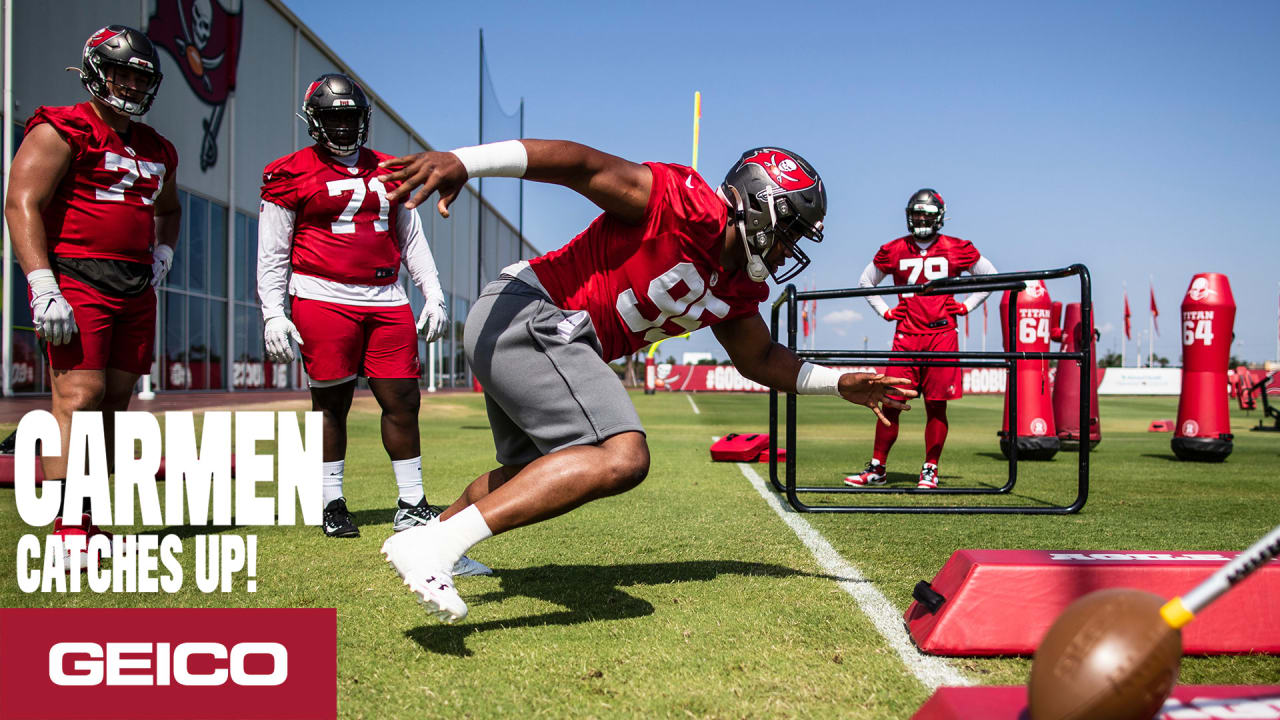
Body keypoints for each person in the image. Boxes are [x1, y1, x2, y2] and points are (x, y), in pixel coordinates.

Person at [374, 140, 917, 623]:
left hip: (536, 329)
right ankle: (437, 548)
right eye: (789, 234)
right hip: (532, 311)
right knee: (623, 455)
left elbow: (761, 358)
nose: (786, 252)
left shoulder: (737, 289)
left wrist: (839, 382)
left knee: (528, 473)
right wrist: (465, 162)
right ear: (760, 209)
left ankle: (424, 537)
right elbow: (579, 166)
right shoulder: (686, 207)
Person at [255, 73, 489, 575]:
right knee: (331, 402)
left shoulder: (391, 169)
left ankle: (410, 503)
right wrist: (273, 310)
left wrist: (434, 294)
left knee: (403, 399)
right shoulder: (287, 173)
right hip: (322, 294)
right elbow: (273, 252)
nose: (343, 126)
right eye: (334, 117)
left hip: (386, 297)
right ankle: (330, 501)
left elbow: (411, 237)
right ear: (315, 121)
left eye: (350, 117)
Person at [5, 25, 179, 569]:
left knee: (113, 408)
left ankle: (85, 515)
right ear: (95, 69)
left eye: (139, 76)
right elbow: (21, 203)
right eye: (122, 72)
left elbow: (169, 210)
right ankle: (67, 528)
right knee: (78, 397)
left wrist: (164, 253)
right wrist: (41, 283)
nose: (129, 85)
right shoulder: (63, 127)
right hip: (77, 275)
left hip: (135, 285)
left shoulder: (158, 148)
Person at [845, 189, 997, 490]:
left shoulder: (958, 247)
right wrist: (886, 312)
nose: (920, 219)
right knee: (890, 402)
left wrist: (966, 305)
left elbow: (990, 276)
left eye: (926, 214)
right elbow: (866, 281)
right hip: (906, 336)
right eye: (916, 213)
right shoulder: (894, 249)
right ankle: (878, 468)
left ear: (938, 217)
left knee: (937, 406)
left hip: (942, 335)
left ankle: (930, 469)